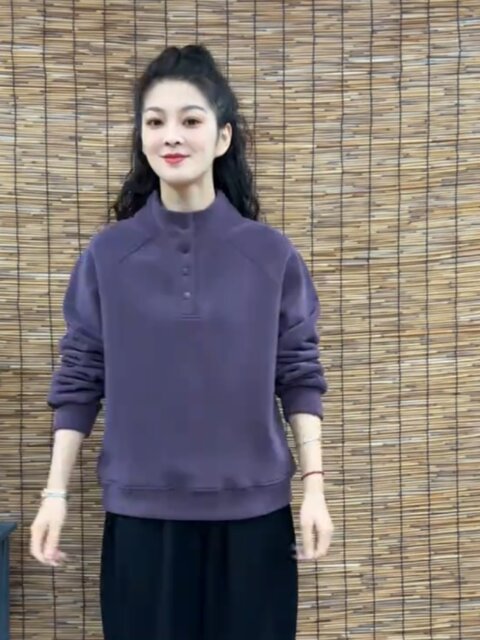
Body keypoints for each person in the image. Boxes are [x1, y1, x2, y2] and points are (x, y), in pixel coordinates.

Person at [30, 43, 334, 640]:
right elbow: (81, 376)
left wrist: (315, 488)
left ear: (222, 138)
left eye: (190, 120)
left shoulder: (271, 255)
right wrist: (55, 493)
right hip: (142, 521)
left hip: (255, 521)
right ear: (142, 138)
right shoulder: (108, 256)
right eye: (155, 121)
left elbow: (299, 374)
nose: (171, 135)